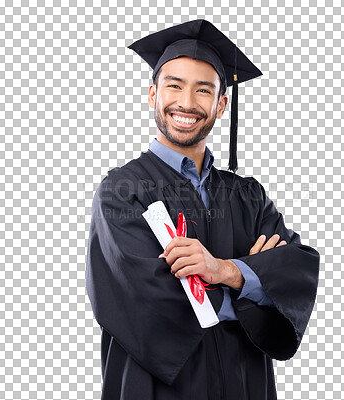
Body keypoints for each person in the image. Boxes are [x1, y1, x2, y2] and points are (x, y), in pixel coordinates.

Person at [86, 19, 320, 400]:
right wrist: (250, 284)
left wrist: (223, 270)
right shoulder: (122, 192)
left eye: (203, 90)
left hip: (246, 387)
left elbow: (293, 270)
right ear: (152, 94)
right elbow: (143, 302)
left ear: (221, 104)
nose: (187, 103)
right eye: (174, 85)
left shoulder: (248, 195)